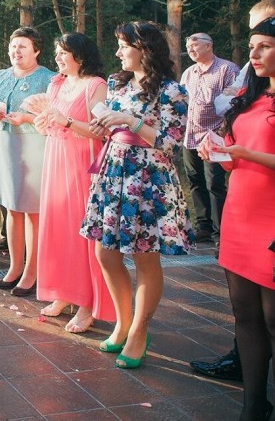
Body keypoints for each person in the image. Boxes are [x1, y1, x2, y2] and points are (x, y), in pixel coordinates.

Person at [81, 21, 194, 369]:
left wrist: (131, 122)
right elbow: (111, 128)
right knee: (105, 253)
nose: (117, 52)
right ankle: (123, 321)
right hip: (114, 170)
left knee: (145, 257)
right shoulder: (117, 84)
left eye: (123, 45)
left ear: (144, 49)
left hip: (149, 178)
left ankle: (139, 332)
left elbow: (171, 143)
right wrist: (105, 125)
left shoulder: (172, 90)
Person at [188, 0, 275, 383]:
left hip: (270, 219)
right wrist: (221, 150)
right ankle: (252, 402)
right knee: (246, 315)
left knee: (272, 319)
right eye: (252, 43)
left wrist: (246, 153)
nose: (253, 52)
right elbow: (235, 150)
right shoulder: (251, 95)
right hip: (240, 216)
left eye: (264, 42)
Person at [33, 33, 114, 333]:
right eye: (56, 52)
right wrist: (43, 123)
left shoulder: (96, 85)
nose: (57, 58)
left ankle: (86, 303)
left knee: (81, 232)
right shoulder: (55, 83)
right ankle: (62, 292)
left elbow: (100, 131)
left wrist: (65, 121)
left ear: (80, 55)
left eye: (63, 52)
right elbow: (50, 124)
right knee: (58, 228)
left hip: (83, 162)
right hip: (55, 158)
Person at [0, 27, 56, 296]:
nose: (16, 51)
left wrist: (27, 119)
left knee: (32, 211)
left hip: (34, 146)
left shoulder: (49, 78)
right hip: (4, 145)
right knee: (11, 208)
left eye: (22, 46)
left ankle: (32, 272)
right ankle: (15, 266)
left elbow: (55, 117)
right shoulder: (0, 76)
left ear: (36, 50)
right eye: (13, 46)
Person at [179, 33, 239, 247]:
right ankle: (203, 227)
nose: (190, 49)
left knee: (215, 183)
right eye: (188, 46)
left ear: (209, 46)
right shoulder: (189, 73)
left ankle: (221, 232)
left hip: (214, 136)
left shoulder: (226, 69)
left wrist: (221, 134)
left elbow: (235, 104)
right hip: (190, 137)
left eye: (194, 45)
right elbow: (181, 103)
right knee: (195, 181)